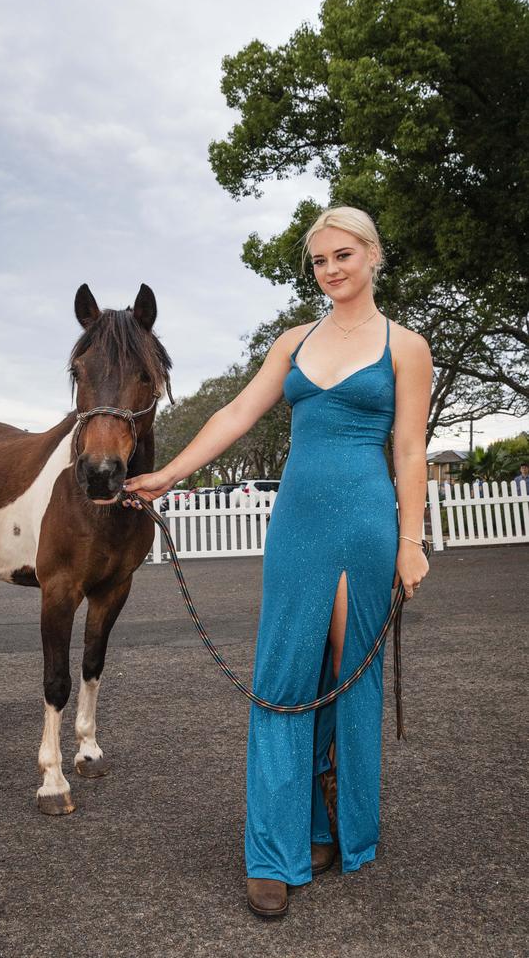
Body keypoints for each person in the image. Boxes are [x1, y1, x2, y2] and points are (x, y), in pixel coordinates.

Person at [121, 205, 433, 918]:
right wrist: (168, 473)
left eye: (344, 255)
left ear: (373, 257)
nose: (331, 270)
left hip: (364, 523)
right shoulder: (293, 341)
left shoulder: (405, 347)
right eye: (320, 260)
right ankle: (273, 849)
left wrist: (411, 541)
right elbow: (236, 415)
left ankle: (335, 826)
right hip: (295, 524)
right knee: (284, 677)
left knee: (347, 675)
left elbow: (410, 451)